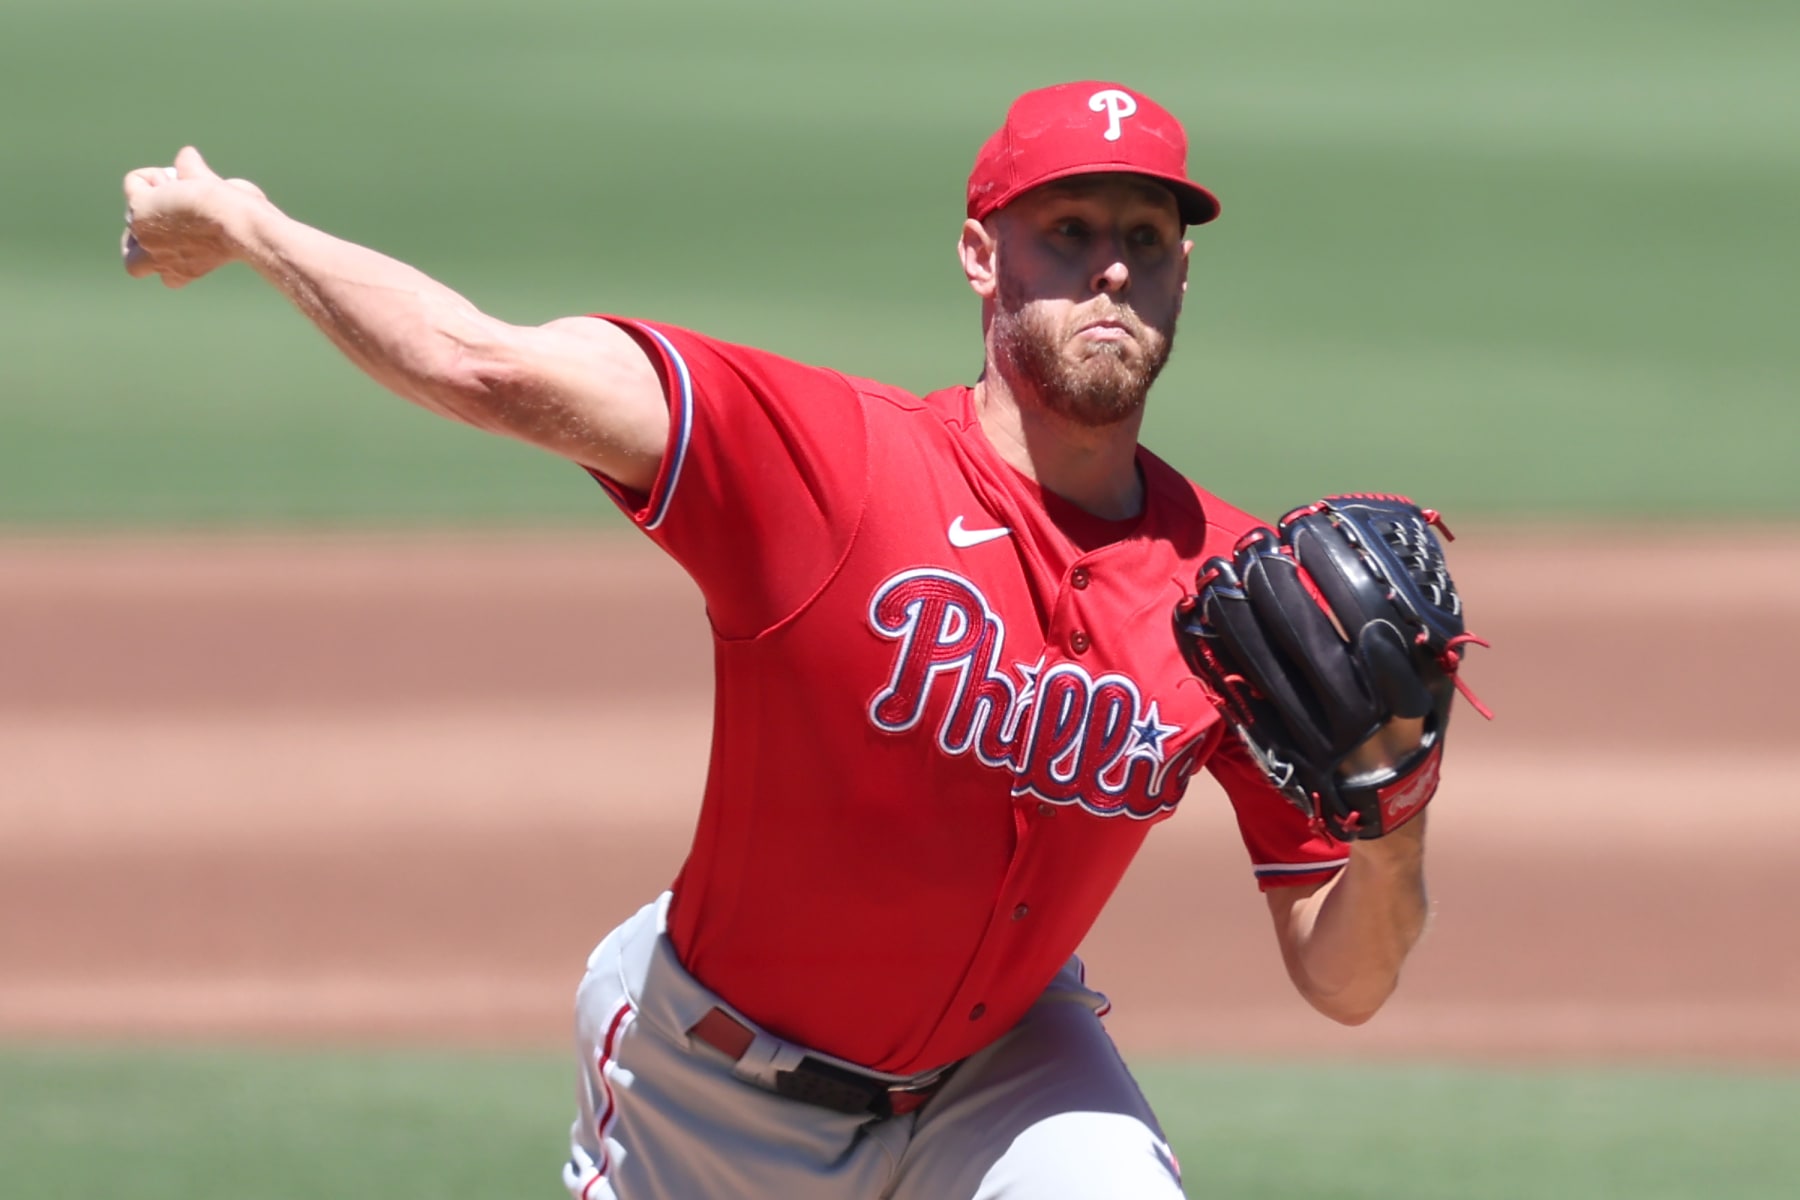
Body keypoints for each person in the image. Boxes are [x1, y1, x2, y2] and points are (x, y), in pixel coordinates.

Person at [122, 81, 1439, 1199]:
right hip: (707, 1091)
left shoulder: (1234, 588)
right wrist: (247, 223)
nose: (1111, 267)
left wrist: (1398, 824)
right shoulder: (831, 465)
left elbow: (1344, 979)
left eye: (1146, 237)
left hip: (1004, 1075)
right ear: (982, 255)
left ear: (1181, 270)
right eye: (1070, 228)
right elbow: (490, 366)